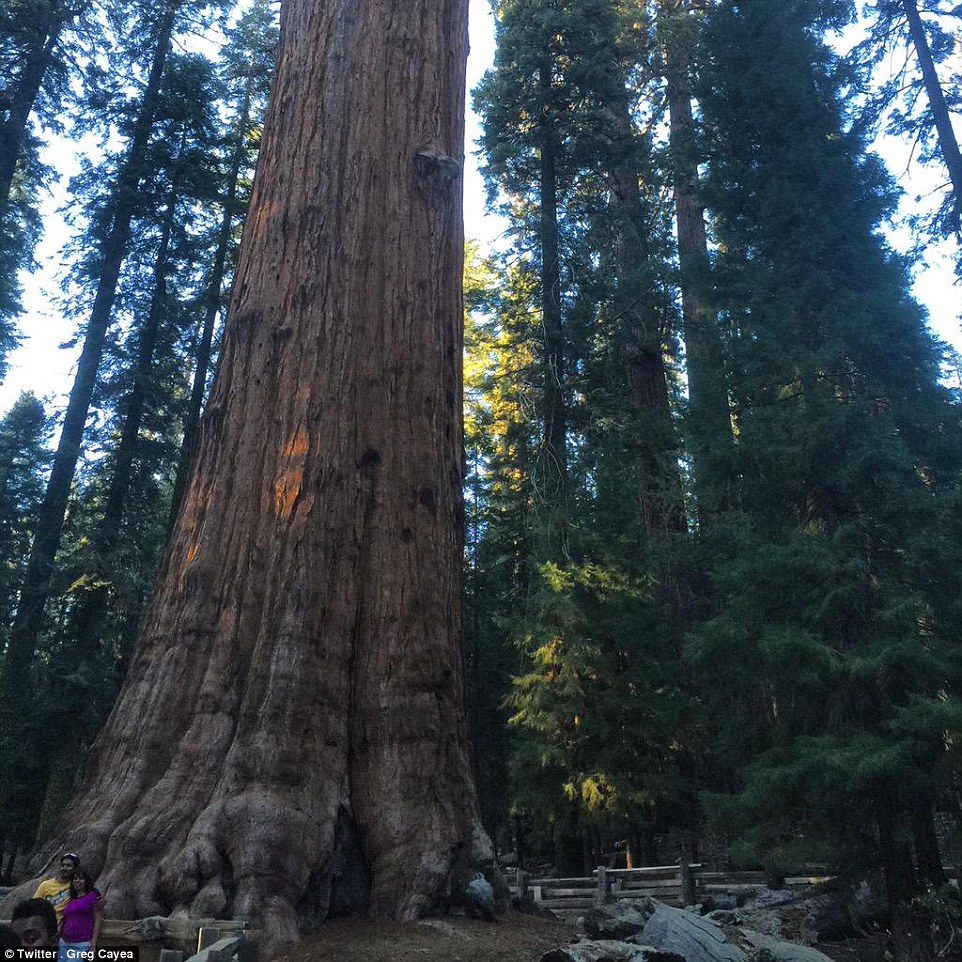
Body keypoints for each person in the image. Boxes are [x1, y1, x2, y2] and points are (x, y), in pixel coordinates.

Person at [58, 869, 102, 962]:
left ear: (86, 881)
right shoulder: (71, 899)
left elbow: (98, 918)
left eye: (80, 878)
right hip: (64, 943)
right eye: (75, 879)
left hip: (82, 944)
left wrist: (93, 942)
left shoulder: (92, 896)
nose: (77, 881)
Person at [34, 853, 79, 923]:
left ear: (75, 868)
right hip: (46, 925)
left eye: (68, 866)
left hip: (65, 925)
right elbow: (34, 906)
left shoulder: (76, 886)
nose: (64, 868)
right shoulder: (45, 885)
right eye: (63, 865)